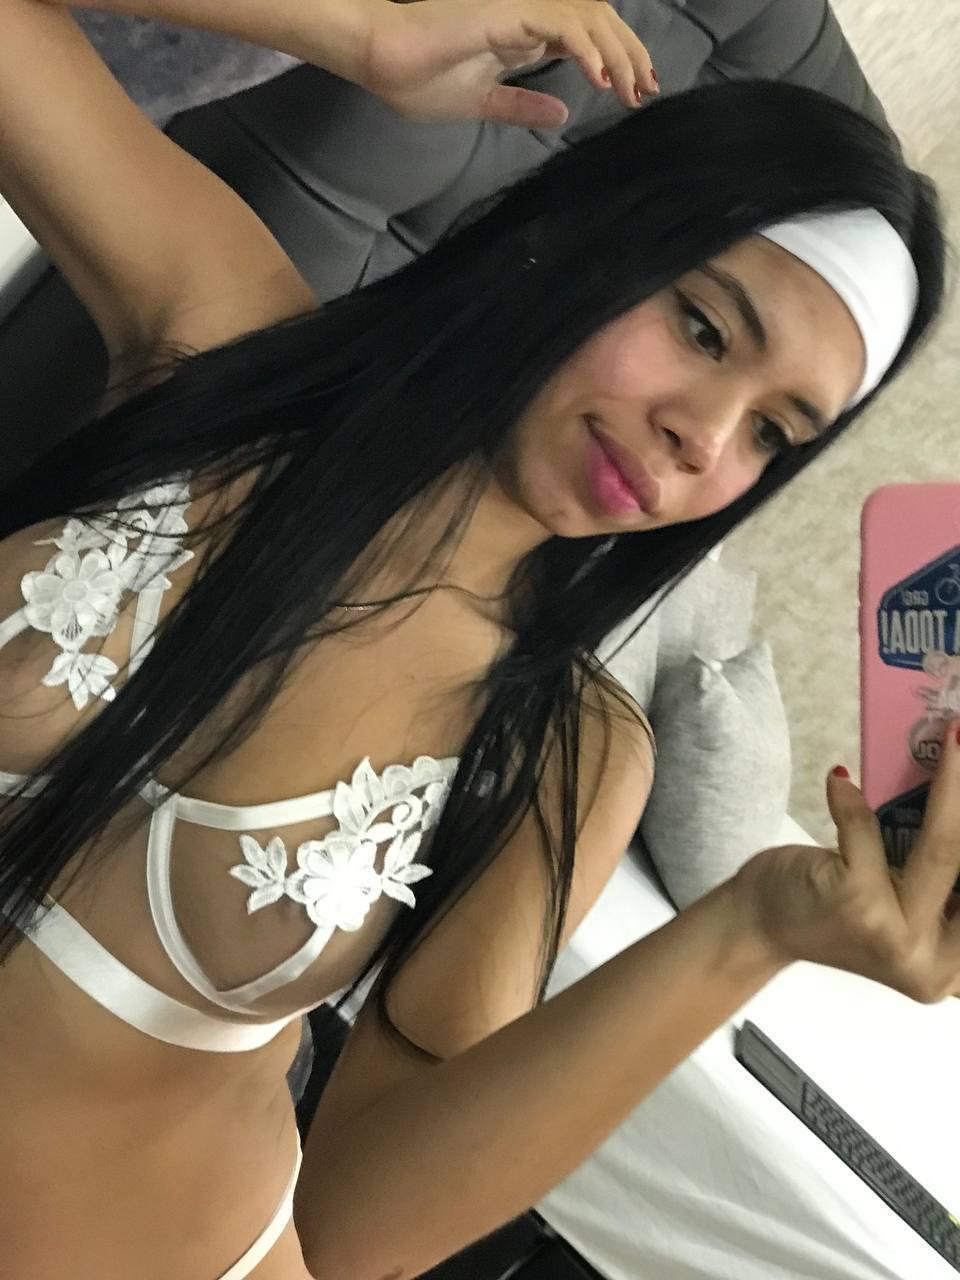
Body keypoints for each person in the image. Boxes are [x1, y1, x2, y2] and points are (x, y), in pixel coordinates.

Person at [0, 2, 954, 1278]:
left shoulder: (560, 750)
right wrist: (360, 37)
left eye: (774, 431)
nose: (706, 437)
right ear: (586, 235)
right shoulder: (225, 341)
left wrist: (753, 927)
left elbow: (360, 1231)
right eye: (704, 327)